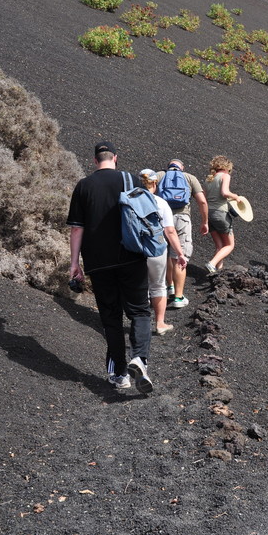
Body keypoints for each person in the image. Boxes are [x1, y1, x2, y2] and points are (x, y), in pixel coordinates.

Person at [67, 141, 154, 392]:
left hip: (98, 262)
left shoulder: (84, 186)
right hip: (132, 256)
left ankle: (119, 373)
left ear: (95, 161)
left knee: (111, 317)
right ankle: (139, 358)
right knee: (139, 311)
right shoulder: (132, 181)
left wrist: (75, 264)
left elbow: (76, 228)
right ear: (115, 158)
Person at [139, 169, 188, 336]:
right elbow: (170, 231)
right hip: (155, 249)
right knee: (158, 285)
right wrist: (180, 253)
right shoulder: (161, 202)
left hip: (133, 249)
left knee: (139, 284)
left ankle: (139, 323)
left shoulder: (128, 199)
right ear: (154, 183)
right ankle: (160, 323)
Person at [156, 159, 208, 309]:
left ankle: (169, 286)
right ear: (182, 167)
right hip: (182, 219)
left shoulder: (159, 175)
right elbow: (202, 202)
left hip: (162, 220)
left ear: (168, 167)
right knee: (179, 257)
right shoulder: (189, 178)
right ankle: (178, 297)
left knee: (165, 254)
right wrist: (204, 222)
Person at [202, 155, 240, 274]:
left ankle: (218, 273)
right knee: (229, 245)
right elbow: (224, 192)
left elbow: (203, 196)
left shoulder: (209, 179)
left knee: (220, 246)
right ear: (227, 167)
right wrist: (236, 197)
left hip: (209, 214)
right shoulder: (225, 176)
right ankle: (212, 264)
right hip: (220, 213)